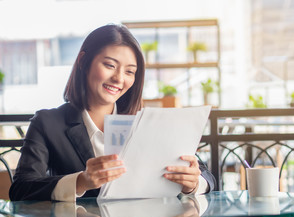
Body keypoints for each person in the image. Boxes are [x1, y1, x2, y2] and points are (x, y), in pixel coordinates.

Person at [9, 24, 215, 202]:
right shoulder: (49, 123)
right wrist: (80, 182)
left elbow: (208, 177)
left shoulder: (145, 122)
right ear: (83, 61)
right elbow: (21, 189)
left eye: (129, 72)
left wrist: (193, 183)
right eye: (109, 65)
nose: (118, 79)